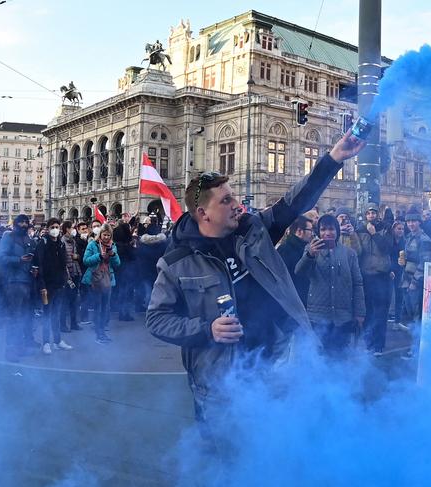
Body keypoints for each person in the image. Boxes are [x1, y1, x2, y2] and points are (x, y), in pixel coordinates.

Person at [145, 130, 364, 445]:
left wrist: (333, 159)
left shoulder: (254, 229)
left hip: (280, 361)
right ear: (203, 214)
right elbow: (156, 318)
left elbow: (295, 201)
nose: (237, 204)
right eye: (226, 200)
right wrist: (208, 329)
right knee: (226, 456)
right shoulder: (176, 262)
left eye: (233, 195)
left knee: (283, 447)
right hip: (223, 382)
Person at [295, 215, 365, 356]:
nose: (328, 233)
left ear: (337, 231)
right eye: (323, 229)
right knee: (319, 362)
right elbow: (299, 272)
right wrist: (309, 255)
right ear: (319, 232)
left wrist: (360, 312)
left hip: (343, 317)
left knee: (340, 359)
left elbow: (357, 284)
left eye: (331, 229)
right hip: (318, 317)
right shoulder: (311, 249)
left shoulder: (349, 254)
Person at [0, 214, 37, 362]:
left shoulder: (29, 239)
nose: (24, 224)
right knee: (15, 316)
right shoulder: (8, 237)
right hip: (12, 282)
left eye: (26, 222)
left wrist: (33, 268)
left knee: (24, 316)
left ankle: (20, 347)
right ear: (15, 224)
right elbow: (0, 258)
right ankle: (10, 350)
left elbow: (32, 259)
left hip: (27, 281)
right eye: (21, 222)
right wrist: (18, 260)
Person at [355, 203, 392, 356]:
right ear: (365, 215)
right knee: (368, 312)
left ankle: (378, 344)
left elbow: (387, 248)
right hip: (366, 275)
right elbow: (357, 251)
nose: (371, 215)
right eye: (368, 213)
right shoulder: (360, 230)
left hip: (381, 275)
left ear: (378, 214)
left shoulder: (385, 228)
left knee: (380, 312)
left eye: (374, 213)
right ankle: (368, 342)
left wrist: (374, 234)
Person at [400, 207, 431, 359]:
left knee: (417, 317)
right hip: (406, 281)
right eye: (408, 221)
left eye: (413, 221)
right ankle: (413, 347)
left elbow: (424, 262)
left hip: (416, 283)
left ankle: (417, 350)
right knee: (411, 316)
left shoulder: (424, 239)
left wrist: (415, 281)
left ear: (419, 222)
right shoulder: (409, 237)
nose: (411, 224)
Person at [35, 218, 73, 354]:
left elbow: (63, 264)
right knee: (47, 314)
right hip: (47, 285)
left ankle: (57, 341)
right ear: (48, 228)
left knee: (56, 313)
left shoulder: (61, 244)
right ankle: (46, 343)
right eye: (53, 227)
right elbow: (39, 265)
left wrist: (64, 280)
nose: (55, 229)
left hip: (59, 284)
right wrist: (42, 285)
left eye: (57, 227)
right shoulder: (43, 243)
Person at [82, 224, 120, 343]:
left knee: (105, 307)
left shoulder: (113, 246)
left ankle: (102, 331)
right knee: (98, 306)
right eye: (104, 235)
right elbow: (86, 261)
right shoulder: (92, 244)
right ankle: (99, 333)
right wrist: (99, 256)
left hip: (108, 279)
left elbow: (118, 264)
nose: (106, 237)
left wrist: (113, 255)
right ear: (100, 235)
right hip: (95, 279)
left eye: (109, 235)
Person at [277, 215, 314, 306]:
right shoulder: (285, 249)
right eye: (310, 230)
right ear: (299, 231)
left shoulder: (305, 248)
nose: (312, 234)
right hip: (293, 299)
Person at [60, 221, 82, 333]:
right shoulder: (62, 241)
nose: (74, 230)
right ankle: (63, 325)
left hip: (76, 272)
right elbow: (62, 260)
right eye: (72, 228)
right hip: (67, 274)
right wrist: (67, 276)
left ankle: (74, 323)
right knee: (65, 300)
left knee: (74, 300)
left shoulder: (73, 241)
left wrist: (76, 256)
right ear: (67, 229)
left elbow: (77, 255)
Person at [389, 220, 408, 331]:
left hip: (400, 270)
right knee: (387, 297)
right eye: (398, 228)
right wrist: (388, 270)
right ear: (393, 229)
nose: (401, 231)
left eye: (402, 229)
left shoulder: (404, 241)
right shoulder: (389, 240)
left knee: (399, 296)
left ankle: (397, 321)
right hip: (389, 271)